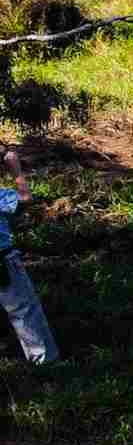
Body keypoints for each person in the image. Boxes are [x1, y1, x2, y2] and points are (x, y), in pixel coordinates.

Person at [1, 147, 59, 366]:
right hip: (3, 262)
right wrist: (16, 172)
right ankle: (45, 364)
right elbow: (25, 198)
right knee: (24, 312)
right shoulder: (0, 196)